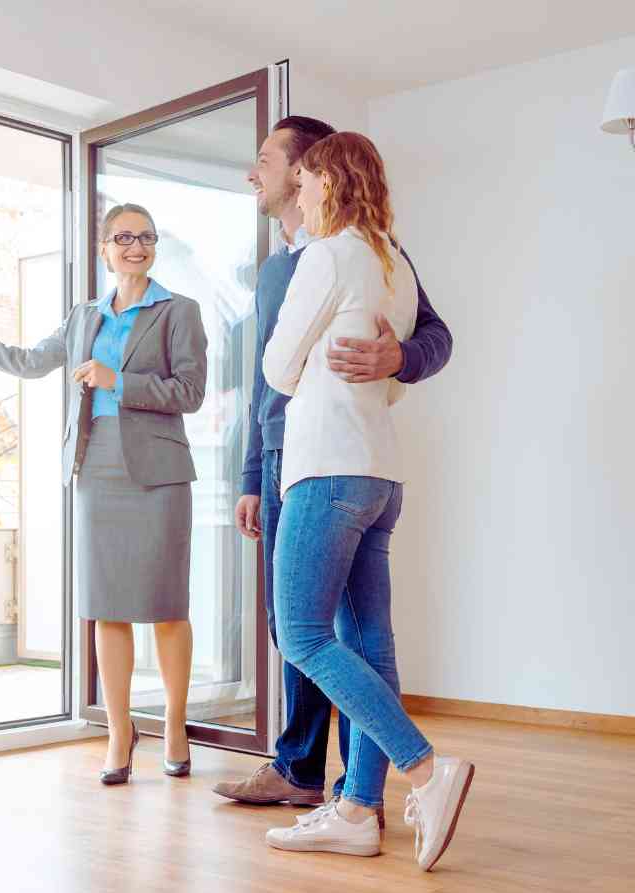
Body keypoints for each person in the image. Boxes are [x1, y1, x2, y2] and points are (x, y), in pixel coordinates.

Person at [214, 116, 455, 821]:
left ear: (309, 172)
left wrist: (399, 358)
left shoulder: (339, 255)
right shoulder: (353, 260)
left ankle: (420, 770)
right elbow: (263, 393)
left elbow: (279, 367)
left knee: (304, 631)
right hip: (350, 463)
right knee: (355, 633)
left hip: (323, 458)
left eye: (267, 158)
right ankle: (344, 796)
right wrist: (251, 474)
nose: (254, 172)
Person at [0, 204, 208, 785]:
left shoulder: (180, 311)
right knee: (107, 605)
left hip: (158, 472)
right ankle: (119, 732)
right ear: (104, 249)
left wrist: (117, 381)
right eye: (123, 238)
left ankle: (175, 724)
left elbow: (191, 391)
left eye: (145, 237)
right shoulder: (84, 317)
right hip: (96, 465)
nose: (136, 246)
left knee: (166, 605)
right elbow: (30, 363)